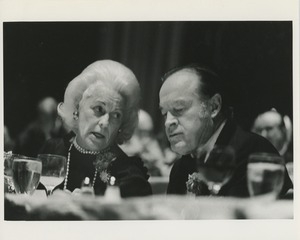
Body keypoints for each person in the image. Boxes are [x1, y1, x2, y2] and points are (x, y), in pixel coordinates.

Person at [159, 63, 293, 197]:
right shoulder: (179, 168)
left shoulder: (254, 152)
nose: (168, 122)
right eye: (165, 113)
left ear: (213, 107)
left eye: (179, 109)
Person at [39, 60, 152, 198]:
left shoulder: (128, 174)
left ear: (121, 124)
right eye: (99, 109)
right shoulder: (53, 151)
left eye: (116, 115)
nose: (105, 123)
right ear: (77, 108)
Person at [120, 109, 173, 176]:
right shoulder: (122, 146)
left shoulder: (150, 143)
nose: (147, 138)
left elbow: (160, 163)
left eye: (148, 133)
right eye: (143, 133)